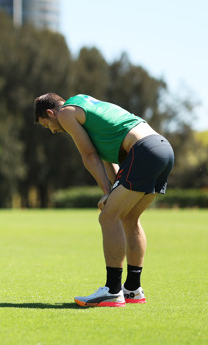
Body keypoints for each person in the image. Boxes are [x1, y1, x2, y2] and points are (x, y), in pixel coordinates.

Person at [34, 93, 174, 307]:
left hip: (143, 151)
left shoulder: (65, 113)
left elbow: (89, 156)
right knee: (129, 219)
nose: (53, 131)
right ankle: (133, 290)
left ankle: (112, 290)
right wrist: (110, 189)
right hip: (162, 149)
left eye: (47, 125)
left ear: (51, 113)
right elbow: (107, 158)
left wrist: (108, 193)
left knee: (108, 217)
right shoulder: (85, 107)